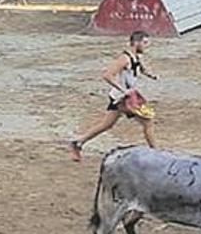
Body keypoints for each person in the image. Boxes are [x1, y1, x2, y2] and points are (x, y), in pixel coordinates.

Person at [68, 31, 158, 162]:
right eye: (144, 43)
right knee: (148, 122)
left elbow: (139, 68)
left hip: (123, 96)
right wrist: (123, 91)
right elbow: (107, 75)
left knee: (106, 124)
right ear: (136, 42)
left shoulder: (135, 56)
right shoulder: (124, 58)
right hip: (123, 98)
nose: (146, 46)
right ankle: (156, 154)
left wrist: (150, 74)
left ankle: (77, 142)